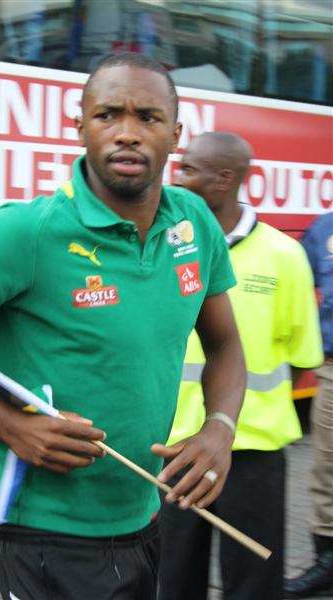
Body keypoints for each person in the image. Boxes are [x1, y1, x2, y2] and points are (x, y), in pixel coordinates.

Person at [0, 54, 246, 600]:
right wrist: (8, 425)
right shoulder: (24, 231)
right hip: (46, 532)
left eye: (147, 117)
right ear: (80, 127)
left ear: (175, 135)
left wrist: (220, 427)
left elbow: (225, 343)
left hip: (145, 516)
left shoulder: (194, 221)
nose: (127, 132)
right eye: (107, 115)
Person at [158, 132, 324, 600]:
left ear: (225, 178)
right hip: (176, 447)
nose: (178, 177)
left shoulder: (284, 255)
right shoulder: (168, 246)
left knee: (253, 584)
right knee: (173, 580)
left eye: (189, 168)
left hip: (254, 453)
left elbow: (301, 358)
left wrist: (242, 417)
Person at [284, 212, 333, 599]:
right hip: (332, 368)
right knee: (327, 472)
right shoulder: (325, 229)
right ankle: (327, 563)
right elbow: (295, 284)